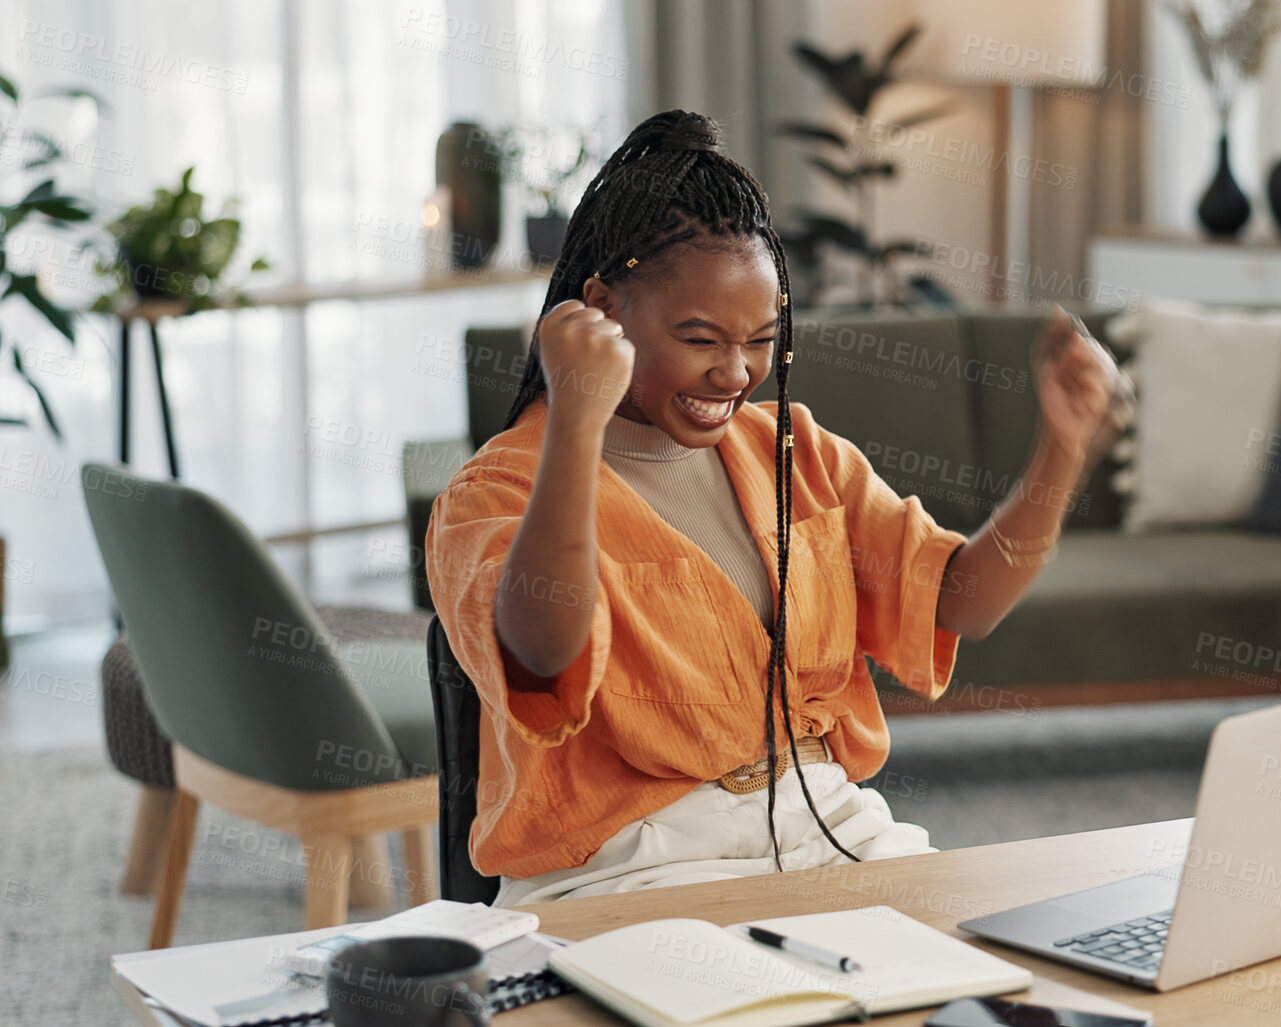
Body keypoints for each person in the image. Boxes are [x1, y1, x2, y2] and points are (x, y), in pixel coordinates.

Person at [426, 110, 1127, 906]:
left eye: (760, 339)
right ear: (603, 308)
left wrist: (1060, 450)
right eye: (700, 339)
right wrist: (577, 419)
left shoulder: (794, 448)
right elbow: (541, 652)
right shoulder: (493, 492)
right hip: (629, 861)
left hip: (827, 822)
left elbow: (962, 601)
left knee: (983, 969)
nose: (735, 373)